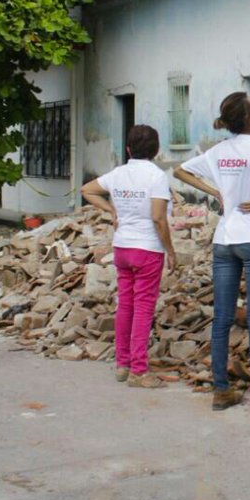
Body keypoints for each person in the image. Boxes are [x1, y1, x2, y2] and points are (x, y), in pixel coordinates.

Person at [174, 92, 250, 413]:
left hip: (224, 240)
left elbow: (181, 171)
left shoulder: (219, 151)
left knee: (222, 319)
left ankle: (221, 391)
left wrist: (217, 193)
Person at [81, 125, 176, 389]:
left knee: (125, 304)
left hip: (122, 247)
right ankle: (139, 370)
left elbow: (87, 190)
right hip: (147, 248)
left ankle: (122, 364)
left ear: (128, 149)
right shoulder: (157, 177)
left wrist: (111, 210)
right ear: (156, 150)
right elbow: (158, 218)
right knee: (143, 308)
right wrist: (171, 250)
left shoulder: (118, 174)